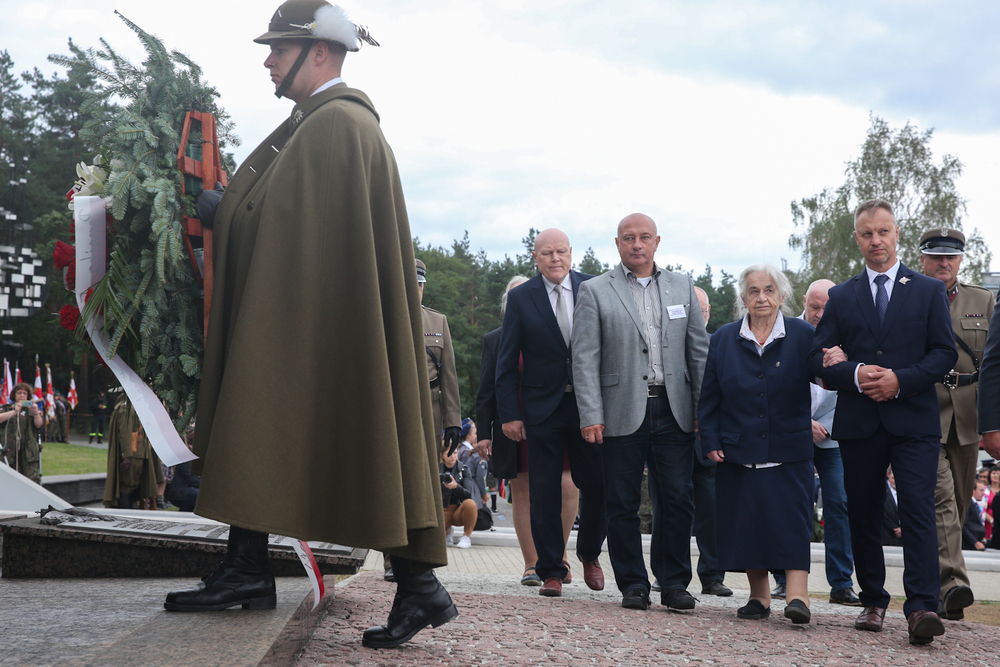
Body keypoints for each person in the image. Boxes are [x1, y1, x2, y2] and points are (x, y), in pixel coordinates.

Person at [165, 1, 456, 650]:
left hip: (318, 319)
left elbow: (284, 227)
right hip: (320, 314)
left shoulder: (335, 129)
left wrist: (223, 213)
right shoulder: (318, 125)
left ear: (317, 52)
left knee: (294, 412)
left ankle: (412, 584)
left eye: (277, 48)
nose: (268, 59)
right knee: (291, 418)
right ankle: (405, 584)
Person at [809, 199, 956, 645]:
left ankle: (922, 607)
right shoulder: (842, 295)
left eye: (884, 232)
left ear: (896, 234)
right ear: (857, 238)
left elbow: (944, 354)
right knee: (865, 514)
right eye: (867, 233)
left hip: (913, 421)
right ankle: (873, 600)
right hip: (859, 424)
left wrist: (899, 380)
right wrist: (852, 373)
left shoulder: (928, 290)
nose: (876, 240)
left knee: (916, 511)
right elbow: (817, 359)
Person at [572, 213, 709, 611]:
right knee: (621, 502)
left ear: (657, 241)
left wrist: (702, 410)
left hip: (675, 408)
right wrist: (590, 413)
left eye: (644, 237)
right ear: (617, 244)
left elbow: (697, 351)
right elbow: (583, 359)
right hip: (619, 410)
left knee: (678, 499)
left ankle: (674, 584)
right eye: (628, 238)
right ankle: (633, 583)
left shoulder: (682, 286)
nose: (637, 244)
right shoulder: (596, 291)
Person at [699, 264, 816, 625]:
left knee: (791, 522)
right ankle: (759, 597)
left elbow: (827, 374)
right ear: (743, 298)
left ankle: (798, 596)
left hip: (789, 447)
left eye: (768, 290)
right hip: (739, 448)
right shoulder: (723, 338)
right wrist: (711, 438)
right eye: (753, 291)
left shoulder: (803, 334)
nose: (761, 297)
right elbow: (710, 396)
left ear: (782, 296)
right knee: (747, 521)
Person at [496, 228, 607, 597]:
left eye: (561, 251)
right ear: (535, 257)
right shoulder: (522, 297)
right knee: (543, 491)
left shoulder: (595, 287)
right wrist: (511, 414)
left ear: (572, 254)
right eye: (547, 253)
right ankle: (550, 570)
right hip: (541, 409)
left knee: (597, 485)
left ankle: (590, 554)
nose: (555, 258)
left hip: (589, 407)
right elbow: (506, 361)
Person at [476, 275, 581, 586]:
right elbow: (486, 392)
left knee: (567, 487)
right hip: (514, 426)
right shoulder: (495, 339)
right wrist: (484, 433)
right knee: (524, 491)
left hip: (556, 419)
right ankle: (532, 563)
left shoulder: (558, 333)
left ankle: (558, 557)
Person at [917, 228, 993, 620]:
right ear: (923, 259)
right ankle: (954, 583)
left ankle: (937, 592)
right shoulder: (906, 297)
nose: (944, 263)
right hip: (923, 411)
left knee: (958, 505)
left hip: (969, 414)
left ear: (960, 260)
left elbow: (994, 365)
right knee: (941, 498)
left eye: (951, 257)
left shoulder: (983, 300)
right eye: (936, 256)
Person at [772, 279, 861, 607]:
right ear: (804, 303)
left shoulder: (852, 333)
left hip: (835, 435)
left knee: (839, 502)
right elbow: (774, 385)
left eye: (826, 308)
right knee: (790, 503)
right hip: (794, 432)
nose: (819, 315)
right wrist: (801, 423)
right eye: (814, 306)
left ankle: (841, 583)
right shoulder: (787, 333)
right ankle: (783, 579)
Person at [417, 259, 463, 452]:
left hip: (430, 411)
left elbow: (449, 374)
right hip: (392, 411)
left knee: (428, 471)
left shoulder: (437, 321)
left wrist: (453, 420)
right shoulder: (383, 321)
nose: (416, 289)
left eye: (420, 284)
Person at [103, 395, 164, 509]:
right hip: (140, 453)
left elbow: (125, 433)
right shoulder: (139, 408)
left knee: (126, 485)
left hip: (133, 453)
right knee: (132, 485)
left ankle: (124, 514)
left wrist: (127, 456)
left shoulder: (125, 409)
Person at [0, 383, 44, 484]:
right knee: (7, 480)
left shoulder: (31, 410)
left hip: (28, 451)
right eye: (19, 393)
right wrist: (14, 412)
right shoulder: (7, 408)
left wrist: (36, 412)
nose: (22, 395)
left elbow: (39, 425)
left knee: (31, 480)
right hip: (9, 451)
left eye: (25, 393)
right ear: (14, 395)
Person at [440, 441, 477, 549]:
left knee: (470, 504)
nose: (453, 456)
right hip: (441, 510)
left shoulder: (464, 470)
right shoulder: (435, 469)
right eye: (449, 453)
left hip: (458, 510)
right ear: (442, 455)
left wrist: (456, 486)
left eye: (455, 453)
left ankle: (466, 536)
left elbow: (468, 494)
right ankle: (447, 530)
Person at [962, 480, 988, 551]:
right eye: (981, 490)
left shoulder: (974, 504)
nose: (983, 494)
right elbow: (963, 526)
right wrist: (975, 542)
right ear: (972, 490)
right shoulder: (968, 504)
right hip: (968, 545)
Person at [883, 467, 903, 546]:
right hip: (888, 538)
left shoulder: (908, 493)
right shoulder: (884, 493)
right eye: (893, 478)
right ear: (888, 475)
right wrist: (896, 529)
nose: (895, 481)